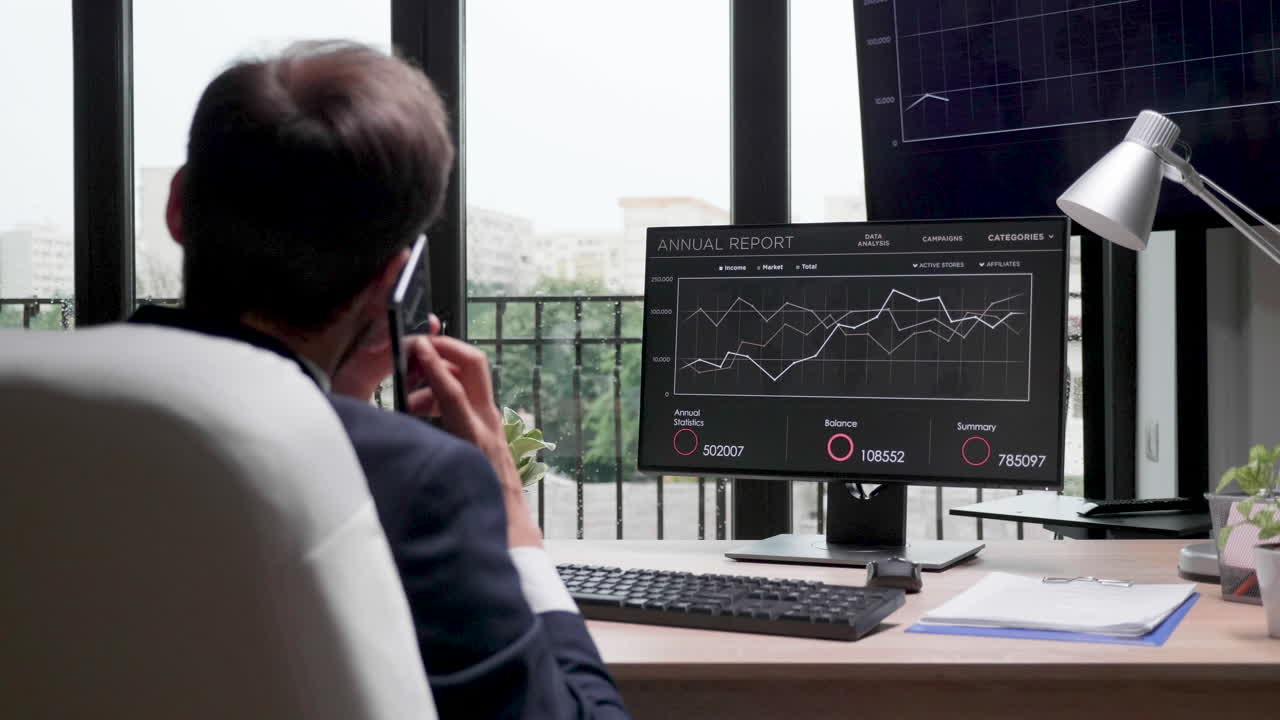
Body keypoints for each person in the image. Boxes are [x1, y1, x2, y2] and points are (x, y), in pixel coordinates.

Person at [129, 40, 629, 719]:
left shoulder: (37, 417)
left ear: (179, 206)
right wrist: (509, 510)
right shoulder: (418, 481)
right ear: (393, 281)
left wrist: (341, 394)